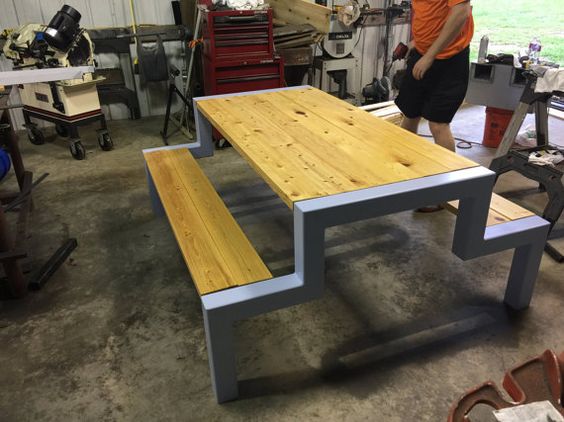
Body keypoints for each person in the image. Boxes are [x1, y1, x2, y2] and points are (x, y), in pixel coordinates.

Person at [395, 0, 474, 153]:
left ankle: (445, 169)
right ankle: (402, 162)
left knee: (438, 124)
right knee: (410, 113)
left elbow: (461, 13)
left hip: (449, 58)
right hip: (421, 53)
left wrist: (429, 56)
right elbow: (430, 11)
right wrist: (417, 41)